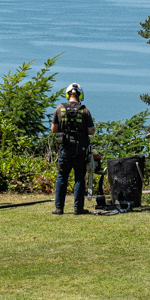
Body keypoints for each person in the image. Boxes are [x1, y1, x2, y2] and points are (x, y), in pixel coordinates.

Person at [51, 82, 95, 215]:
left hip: (65, 148)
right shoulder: (85, 110)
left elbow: (54, 129)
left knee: (62, 177)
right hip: (80, 149)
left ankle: (59, 208)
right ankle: (78, 208)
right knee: (79, 177)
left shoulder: (59, 109)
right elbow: (91, 131)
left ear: (67, 94)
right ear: (80, 95)